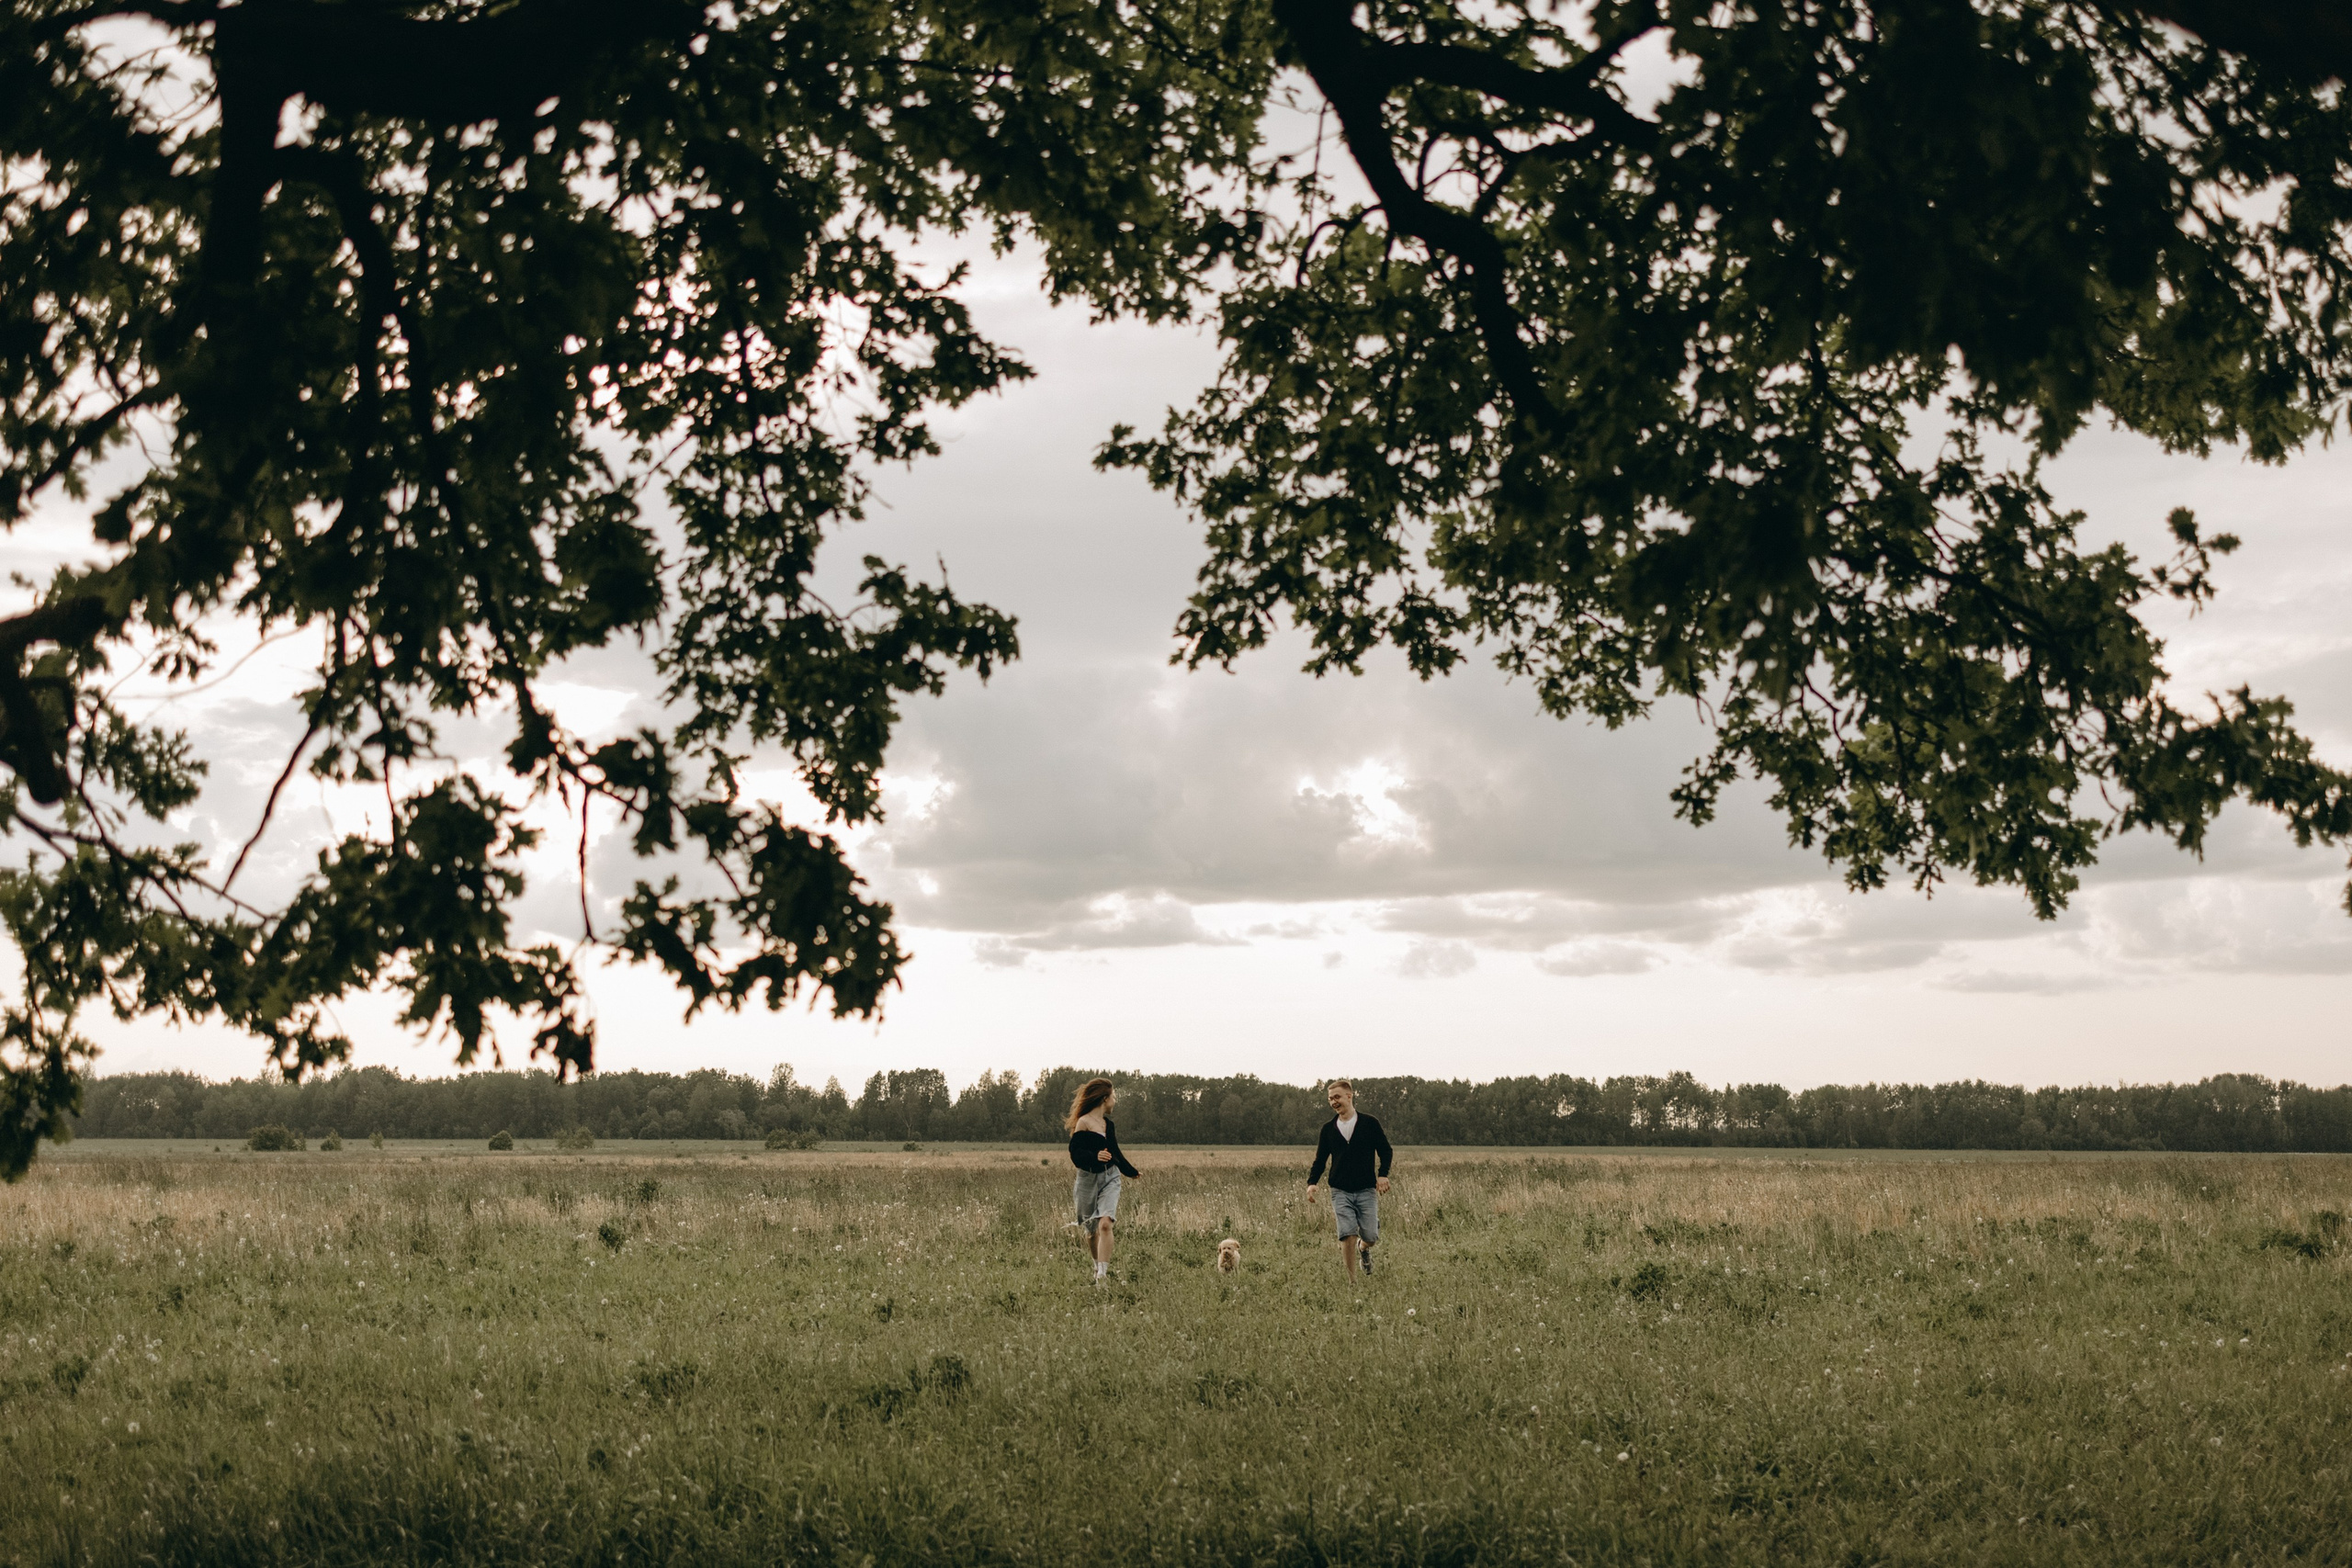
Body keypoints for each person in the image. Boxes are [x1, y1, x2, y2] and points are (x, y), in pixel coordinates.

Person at [1306, 1078, 1392, 1280]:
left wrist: (1383, 1175)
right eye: (1330, 1099)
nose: (1333, 1102)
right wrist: (1312, 1183)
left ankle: (1364, 1248)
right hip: (1340, 1190)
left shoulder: (1370, 1123)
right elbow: (1320, 1160)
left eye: (1337, 1097)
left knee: (1370, 1235)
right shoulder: (1328, 1129)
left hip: (1366, 1190)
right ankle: (1352, 1281)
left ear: (1349, 1096)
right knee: (1348, 1233)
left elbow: (1385, 1150)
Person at [1065, 1077, 1138, 1283]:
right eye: (1113, 1097)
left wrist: (1130, 1171)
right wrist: (1094, 1157)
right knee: (1091, 1231)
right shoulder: (1084, 1122)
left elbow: (1115, 1152)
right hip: (1087, 1180)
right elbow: (1076, 1153)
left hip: (1110, 1177)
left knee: (1105, 1224)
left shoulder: (1109, 1125)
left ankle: (1103, 1277)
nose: (1115, 1101)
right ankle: (1096, 1266)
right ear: (1104, 1099)